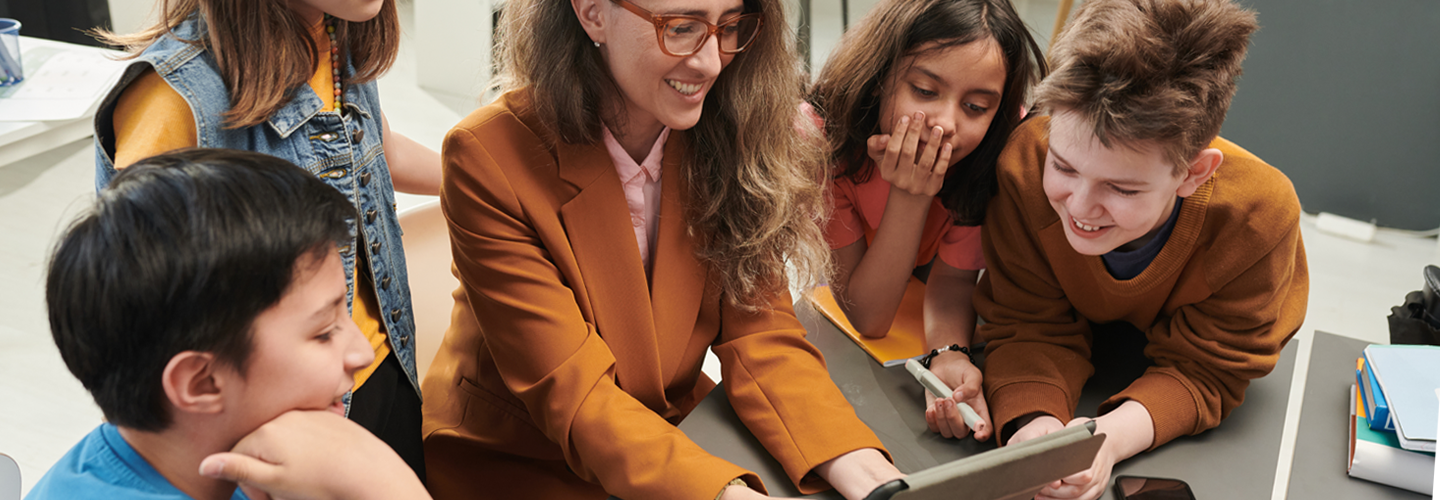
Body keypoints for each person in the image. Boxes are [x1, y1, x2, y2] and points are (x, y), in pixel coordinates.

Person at [419, 0, 905, 497]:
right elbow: (577, 397)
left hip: (669, 435)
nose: (713, 61)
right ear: (591, 13)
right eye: (681, 27)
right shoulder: (486, 157)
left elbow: (762, 333)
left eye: (730, 26)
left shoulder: (727, 130)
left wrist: (865, 472)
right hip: (521, 461)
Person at [974, 1, 1309, 499]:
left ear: (1194, 173)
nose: (1080, 207)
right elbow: (1026, 322)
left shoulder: (1259, 216)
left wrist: (1106, 441)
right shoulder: (1025, 162)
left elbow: (1209, 368)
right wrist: (1035, 427)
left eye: (1123, 190)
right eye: (1064, 167)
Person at [90, 0, 435, 477]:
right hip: (282, 418)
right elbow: (140, 308)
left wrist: (485, 174)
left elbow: (377, 148)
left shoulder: (333, 34)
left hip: (384, 367)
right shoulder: (174, 98)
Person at [28, 149, 428, 500]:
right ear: (201, 382)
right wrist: (385, 484)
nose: (361, 352)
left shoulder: (184, 451)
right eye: (323, 332)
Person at [806, 0, 1045, 443]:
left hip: (934, 285)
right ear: (880, 78)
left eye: (975, 107)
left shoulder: (994, 151)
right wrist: (911, 195)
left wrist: (949, 353)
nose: (945, 123)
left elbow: (954, 280)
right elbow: (869, 317)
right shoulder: (824, 142)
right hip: (855, 284)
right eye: (925, 91)